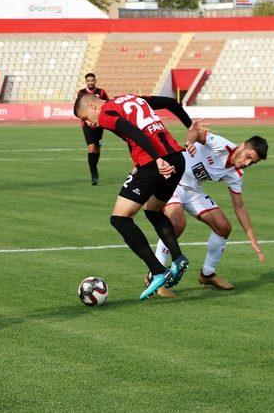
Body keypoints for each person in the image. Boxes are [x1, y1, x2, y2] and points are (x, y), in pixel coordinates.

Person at [74, 93, 198, 300]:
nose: (88, 123)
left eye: (85, 117)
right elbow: (170, 102)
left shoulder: (105, 113)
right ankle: (177, 257)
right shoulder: (130, 98)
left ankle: (158, 270)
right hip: (177, 158)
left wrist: (157, 159)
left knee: (120, 219)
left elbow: (130, 129)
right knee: (153, 210)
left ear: (93, 106)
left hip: (154, 162)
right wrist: (190, 125)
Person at [151, 129, 268, 297]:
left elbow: (239, 207)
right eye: (248, 156)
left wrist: (252, 240)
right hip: (172, 180)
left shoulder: (236, 173)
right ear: (242, 146)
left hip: (193, 190)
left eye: (252, 162)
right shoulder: (221, 145)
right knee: (177, 224)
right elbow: (196, 132)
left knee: (223, 227)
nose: (247, 163)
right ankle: (156, 275)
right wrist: (189, 142)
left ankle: (207, 274)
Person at [77, 73, 110, 185]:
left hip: (99, 124)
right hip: (86, 124)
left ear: (95, 81)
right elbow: (79, 109)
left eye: (92, 80)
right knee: (91, 148)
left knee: (97, 149)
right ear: (86, 82)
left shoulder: (101, 92)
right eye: (88, 81)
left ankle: (94, 167)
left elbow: (107, 106)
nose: (90, 82)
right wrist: (87, 121)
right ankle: (93, 173)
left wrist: (100, 121)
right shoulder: (81, 93)